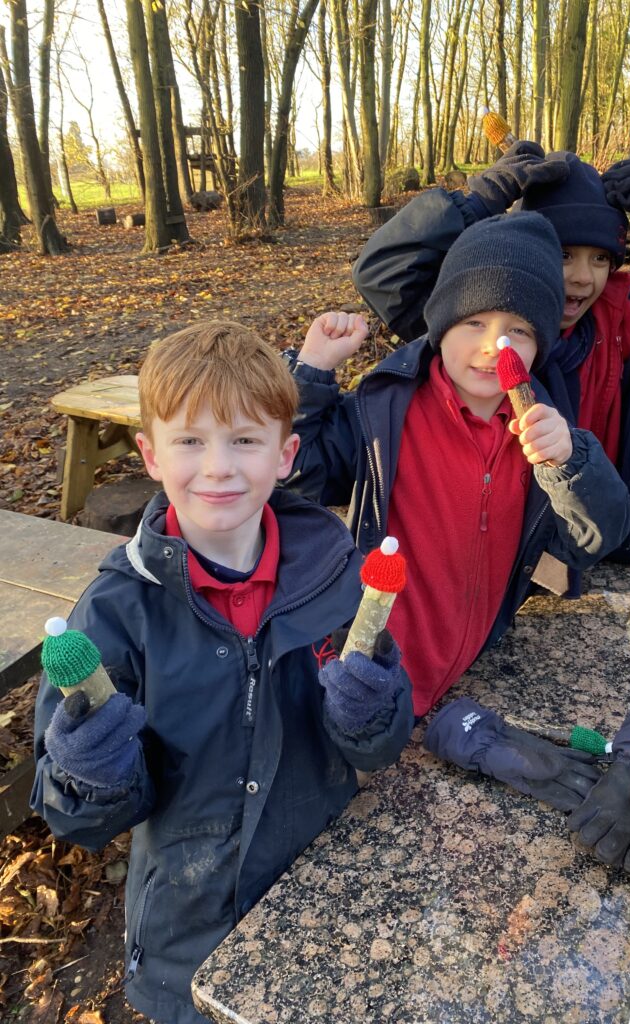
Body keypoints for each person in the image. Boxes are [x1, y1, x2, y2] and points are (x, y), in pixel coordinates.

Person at [30, 322, 414, 1024]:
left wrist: (375, 712)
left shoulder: (333, 579)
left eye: (244, 440)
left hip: (317, 894)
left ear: (285, 453)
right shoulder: (115, 613)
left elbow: (377, 748)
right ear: (149, 453)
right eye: (190, 441)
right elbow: (69, 811)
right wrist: (90, 773)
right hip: (186, 924)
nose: (219, 468)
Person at [285, 212, 630, 716]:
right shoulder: (383, 411)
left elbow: (594, 540)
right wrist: (311, 373)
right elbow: (295, 475)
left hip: (470, 662)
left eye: (519, 330)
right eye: (474, 322)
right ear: (441, 326)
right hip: (372, 672)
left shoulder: (543, 426)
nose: (495, 346)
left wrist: (571, 463)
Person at [351, 141, 630, 566]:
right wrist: (477, 202)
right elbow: (382, 273)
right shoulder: (476, 323)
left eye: (599, 258)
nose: (581, 278)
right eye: (562, 255)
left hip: (596, 529)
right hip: (502, 551)